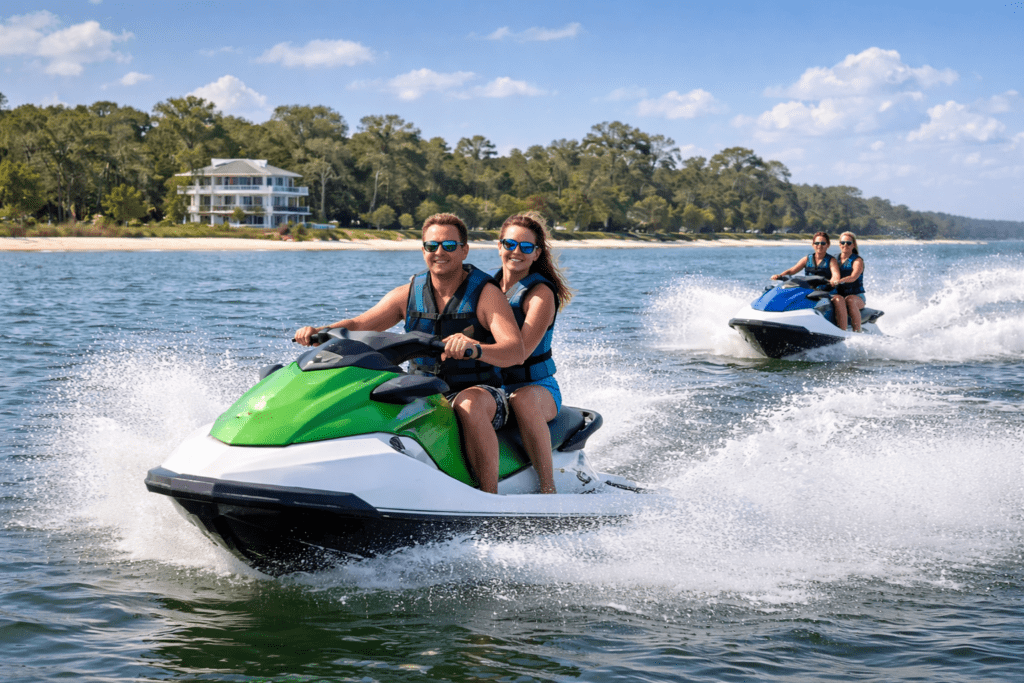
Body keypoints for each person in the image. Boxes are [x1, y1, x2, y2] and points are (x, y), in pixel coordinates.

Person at [294, 213, 525, 494]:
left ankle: (488, 500)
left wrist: (474, 348)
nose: (439, 252)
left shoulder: (486, 294)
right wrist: (321, 331)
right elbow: (358, 324)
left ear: (464, 250)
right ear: (423, 249)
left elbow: (514, 351)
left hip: (481, 392)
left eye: (449, 246)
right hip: (424, 389)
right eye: (432, 246)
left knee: (468, 404)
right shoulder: (408, 293)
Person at [491, 212, 572, 494]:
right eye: (510, 244)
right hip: (493, 386)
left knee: (522, 400)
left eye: (526, 247)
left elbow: (519, 353)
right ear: (499, 245)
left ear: (537, 253)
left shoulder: (540, 294)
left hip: (537, 388)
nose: (517, 252)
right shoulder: (485, 289)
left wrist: (474, 350)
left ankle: (548, 490)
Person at [831, 231, 866, 331]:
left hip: (857, 297)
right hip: (838, 295)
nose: (845, 245)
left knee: (849, 300)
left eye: (848, 243)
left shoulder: (857, 261)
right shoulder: (833, 259)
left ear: (853, 245)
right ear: (839, 244)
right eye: (842, 242)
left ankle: (857, 331)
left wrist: (839, 281)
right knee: (836, 299)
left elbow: (853, 277)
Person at [771, 231, 840, 282]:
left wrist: (833, 281)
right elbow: (791, 271)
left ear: (828, 245)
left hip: (826, 291)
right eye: (817, 243)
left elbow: (835, 274)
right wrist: (779, 276)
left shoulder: (831, 260)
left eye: (823, 243)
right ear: (813, 245)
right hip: (808, 290)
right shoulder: (807, 259)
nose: (819, 246)